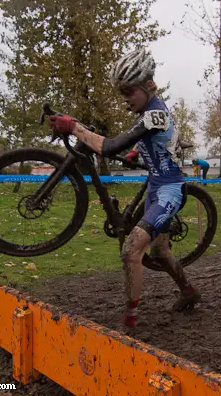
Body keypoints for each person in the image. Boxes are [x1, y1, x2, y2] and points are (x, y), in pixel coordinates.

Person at [47, 48, 200, 328]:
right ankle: (189, 292)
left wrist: (75, 128)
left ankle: (129, 321)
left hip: (170, 190)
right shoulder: (147, 110)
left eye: (129, 93)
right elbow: (139, 138)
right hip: (155, 184)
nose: (126, 101)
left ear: (148, 86)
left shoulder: (155, 114)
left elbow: (109, 146)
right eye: (123, 94)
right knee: (160, 252)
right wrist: (135, 153)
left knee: (131, 250)